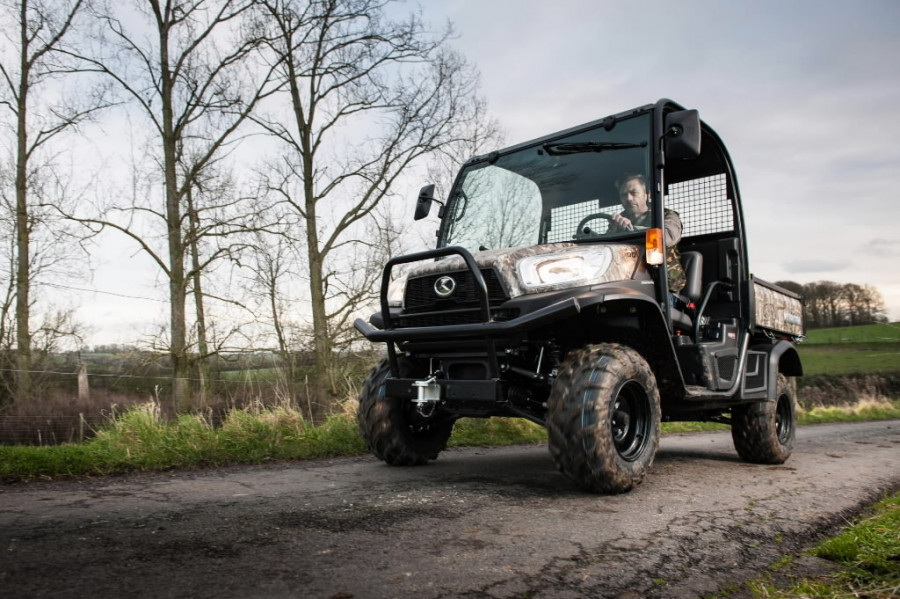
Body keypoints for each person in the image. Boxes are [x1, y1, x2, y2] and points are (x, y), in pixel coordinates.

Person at [608, 173, 686, 293]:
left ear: (646, 195)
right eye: (624, 195)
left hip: (664, 283)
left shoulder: (666, 216)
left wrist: (631, 230)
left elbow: (666, 238)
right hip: (627, 281)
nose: (628, 198)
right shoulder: (618, 221)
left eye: (633, 193)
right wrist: (613, 231)